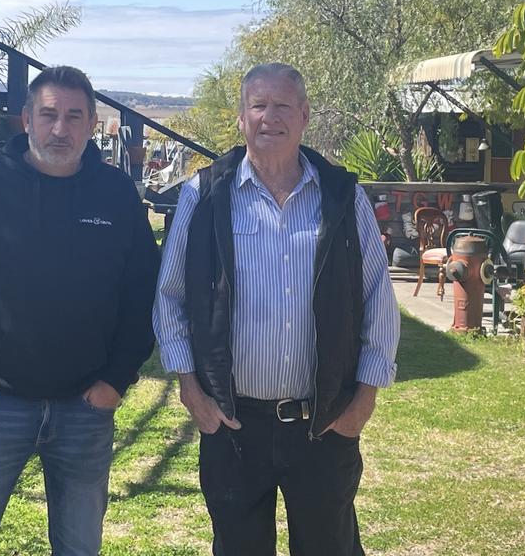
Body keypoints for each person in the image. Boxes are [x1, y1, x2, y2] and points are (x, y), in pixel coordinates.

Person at [152, 62, 400, 556]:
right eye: (258, 106)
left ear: (304, 115)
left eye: (283, 105)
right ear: (242, 118)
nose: (270, 117)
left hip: (324, 423)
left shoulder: (342, 196)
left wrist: (363, 400)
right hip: (232, 424)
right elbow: (170, 296)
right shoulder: (204, 195)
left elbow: (376, 296)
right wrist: (190, 390)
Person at [0, 65, 159, 556]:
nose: (60, 129)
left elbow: (143, 295)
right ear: (26, 119)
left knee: (79, 547)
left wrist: (114, 382)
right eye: (48, 115)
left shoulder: (116, 196)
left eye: (74, 116)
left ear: (93, 124)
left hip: (86, 410)